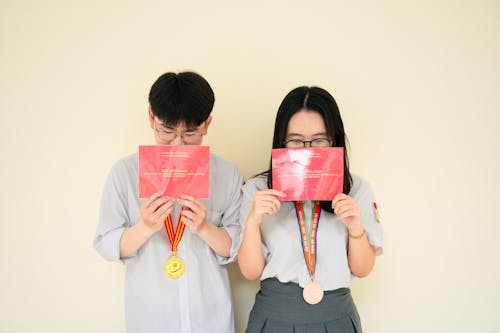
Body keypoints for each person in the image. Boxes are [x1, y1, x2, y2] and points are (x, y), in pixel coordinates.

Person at [94, 71, 243, 333]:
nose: (177, 144)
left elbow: (239, 247)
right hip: (150, 320)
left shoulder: (228, 174)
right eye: (167, 131)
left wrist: (204, 228)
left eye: (190, 135)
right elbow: (106, 244)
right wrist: (146, 226)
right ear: (152, 118)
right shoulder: (125, 172)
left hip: (211, 320)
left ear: (207, 124)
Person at [237, 86, 383, 332]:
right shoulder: (258, 190)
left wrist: (355, 227)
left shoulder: (357, 188)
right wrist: (253, 221)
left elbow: (363, 269)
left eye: (319, 140)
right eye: (295, 141)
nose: (307, 150)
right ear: (281, 141)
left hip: (337, 317)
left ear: (334, 140)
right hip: (274, 318)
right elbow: (251, 272)